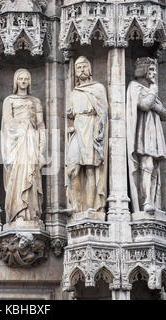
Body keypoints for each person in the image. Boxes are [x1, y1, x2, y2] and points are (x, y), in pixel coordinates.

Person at [1, 68, 46, 224]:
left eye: (26, 78)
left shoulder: (36, 102)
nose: (24, 81)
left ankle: (32, 212)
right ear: (16, 81)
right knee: (18, 176)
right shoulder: (9, 100)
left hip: (31, 142)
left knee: (32, 176)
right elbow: (7, 124)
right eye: (21, 78)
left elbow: (40, 125)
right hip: (17, 144)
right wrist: (23, 126)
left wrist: (42, 149)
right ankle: (18, 212)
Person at [66, 56, 108, 214]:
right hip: (78, 130)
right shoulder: (74, 92)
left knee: (90, 169)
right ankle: (76, 204)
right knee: (73, 169)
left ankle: (90, 207)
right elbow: (69, 115)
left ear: (90, 69)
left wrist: (98, 129)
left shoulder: (97, 88)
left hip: (91, 128)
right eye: (78, 67)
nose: (81, 69)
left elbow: (103, 111)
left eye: (84, 66)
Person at [126, 57, 166, 214]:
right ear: (143, 71)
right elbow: (143, 105)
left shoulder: (150, 90)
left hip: (154, 132)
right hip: (143, 132)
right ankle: (146, 201)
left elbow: (165, 114)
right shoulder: (135, 87)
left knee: (155, 169)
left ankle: (154, 201)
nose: (154, 72)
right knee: (147, 165)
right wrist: (153, 91)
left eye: (155, 69)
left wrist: (154, 103)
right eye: (151, 69)